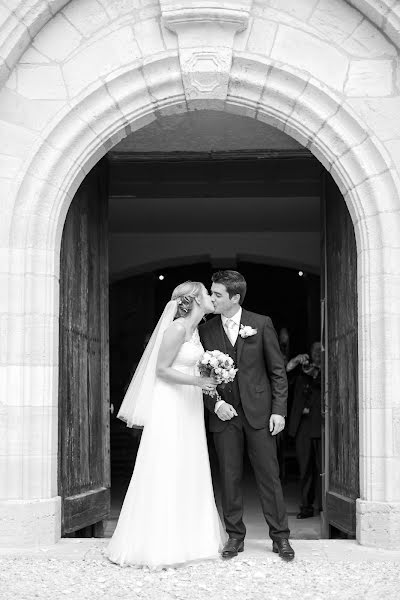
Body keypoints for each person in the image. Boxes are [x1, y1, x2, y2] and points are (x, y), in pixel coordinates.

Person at [106, 281, 227, 569]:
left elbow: (191, 366)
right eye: (207, 294)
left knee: (189, 463)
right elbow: (161, 370)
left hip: (189, 404)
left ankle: (191, 540)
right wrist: (199, 380)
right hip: (171, 404)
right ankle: (159, 543)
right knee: (167, 464)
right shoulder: (176, 328)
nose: (211, 297)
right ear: (195, 299)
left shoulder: (195, 330)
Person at [199, 270, 294, 561]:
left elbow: (278, 372)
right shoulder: (205, 330)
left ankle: (281, 538)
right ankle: (235, 536)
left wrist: (279, 411)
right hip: (224, 416)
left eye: (217, 294)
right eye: (212, 293)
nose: (212, 298)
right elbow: (200, 374)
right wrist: (215, 404)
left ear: (235, 297)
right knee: (229, 477)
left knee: (269, 476)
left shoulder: (261, 324)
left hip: (261, 415)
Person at [288, 342, 322, 519]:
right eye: (314, 350)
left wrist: (318, 369)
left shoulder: (326, 370)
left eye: (320, 350)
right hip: (304, 425)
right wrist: (295, 362)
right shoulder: (302, 371)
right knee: (305, 468)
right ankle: (306, 506)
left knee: (323, 468)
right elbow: (282, 378)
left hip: (324, 425)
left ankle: (326, 508)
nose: (317, 353)